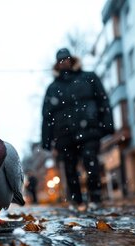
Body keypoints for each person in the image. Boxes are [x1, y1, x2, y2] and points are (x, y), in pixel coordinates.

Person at [41, 48, 113, 208]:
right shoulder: (52, 88)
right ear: (57, 64)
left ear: (72, 60)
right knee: (69, 168)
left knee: (91, 162)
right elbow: (47, 116)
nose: (63, 62)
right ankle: (77, 201)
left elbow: (103, 101)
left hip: (89, 131)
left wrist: (107, 126)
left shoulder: (89, 78)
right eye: (60, 60)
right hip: (64, 135)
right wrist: (47, 141)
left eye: (66, 59)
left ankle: (95, 198)